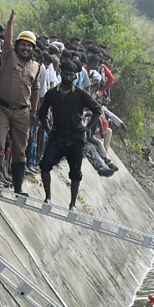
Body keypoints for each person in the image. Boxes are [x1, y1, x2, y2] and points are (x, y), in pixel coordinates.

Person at [0, 8, 42, 193]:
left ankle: (18, 186)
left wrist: (34, 111)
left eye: (29, 46)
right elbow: (8, 40)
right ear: (18, 45)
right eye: (23, 44)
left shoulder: (36, 66)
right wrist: (11, 21)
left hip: (23, 112)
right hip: (2, 109)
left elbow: (35, 89)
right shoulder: (9, 56)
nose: (26, 48)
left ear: (33, 49)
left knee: (20, 149)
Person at [35, 58, 100, 210]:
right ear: (61, 73)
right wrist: (48, 128)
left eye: (72, 75)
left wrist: (87, 128)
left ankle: (72, 204)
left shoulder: (80, 94)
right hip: (57, 136)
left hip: (75, 137)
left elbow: (97, 110)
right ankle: (48, 197)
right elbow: (42, 113)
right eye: (66, 74)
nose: (69, 78)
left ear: (75, 77)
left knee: (75, 172)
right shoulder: (52, 93)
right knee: (45, 165)